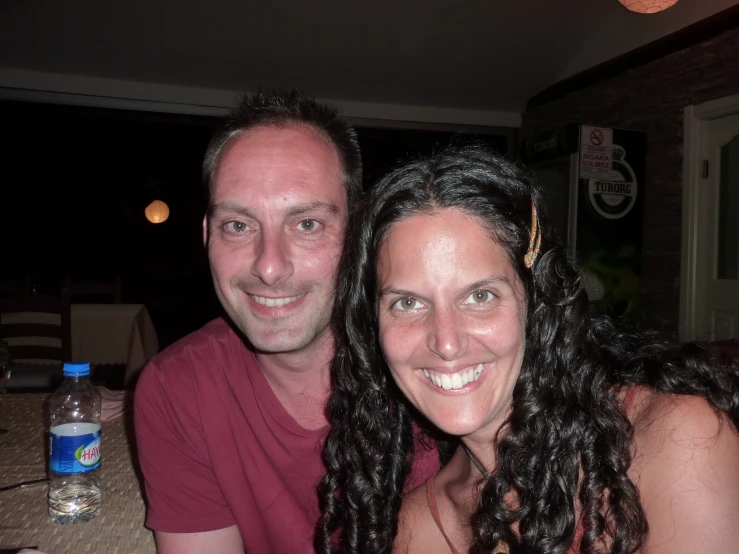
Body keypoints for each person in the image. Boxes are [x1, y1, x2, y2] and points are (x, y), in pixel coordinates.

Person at [317, 145, 739, 554]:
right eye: (408, 303)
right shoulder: (416, 528)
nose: (445, 342)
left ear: (535, 300)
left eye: (480, 296)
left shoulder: (673, 440)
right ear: (372, 325)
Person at [134, 91, 439, 554]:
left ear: (358, 233)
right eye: (238, 225)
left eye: (307, 224)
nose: (269, 267)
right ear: (207, 236)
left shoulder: (438, 362)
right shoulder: (180, 387)